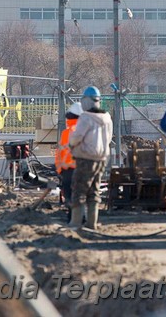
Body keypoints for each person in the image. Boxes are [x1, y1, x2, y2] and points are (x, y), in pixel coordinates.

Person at [68, 86, 113, 230]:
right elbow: (109, 138)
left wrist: (71, 145)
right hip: (102, 158)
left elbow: (77, 137)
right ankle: (92, 223)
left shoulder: (86, 117)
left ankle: (75, 223)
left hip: (85, 159)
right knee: (94, 190)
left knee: (79, 190)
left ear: (86, 101)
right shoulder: (107, 118)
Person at [55, 102, 82, 221]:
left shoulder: (65, 133)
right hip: (81, 169)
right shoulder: (83, 132)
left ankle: (71, 217)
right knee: (80, 196)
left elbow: (59, 154)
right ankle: (80, 219)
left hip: (66, 170)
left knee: (70, 196)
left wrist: (59, 170)